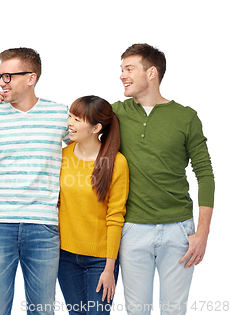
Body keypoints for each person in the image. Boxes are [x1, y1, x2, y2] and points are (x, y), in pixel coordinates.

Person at [114, 44, 214, 315]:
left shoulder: (186, 117)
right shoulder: (115, 113)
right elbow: (73, 129)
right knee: (136, 311)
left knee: (174, 311)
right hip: (132, 229)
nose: (122, 75)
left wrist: (202, 233)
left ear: (152, 72)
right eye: (121, 69)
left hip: (179, 231)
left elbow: (205, 174)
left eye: (129, 69)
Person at [0, 47, 69, 314]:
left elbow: (87, 149)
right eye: (0, 76)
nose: (2, 82)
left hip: (43, 225)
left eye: (8, 76)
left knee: (42, 309)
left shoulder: (60, 114)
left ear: (31, 78)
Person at [57, 95, 129, 315]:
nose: (70, 123)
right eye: (70, 116)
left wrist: (109, 268)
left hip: (100, 259)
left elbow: (116, 217)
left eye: (78, 119)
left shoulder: (116, 163)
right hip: (65, 256)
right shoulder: (62, 156)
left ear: (96, 127)